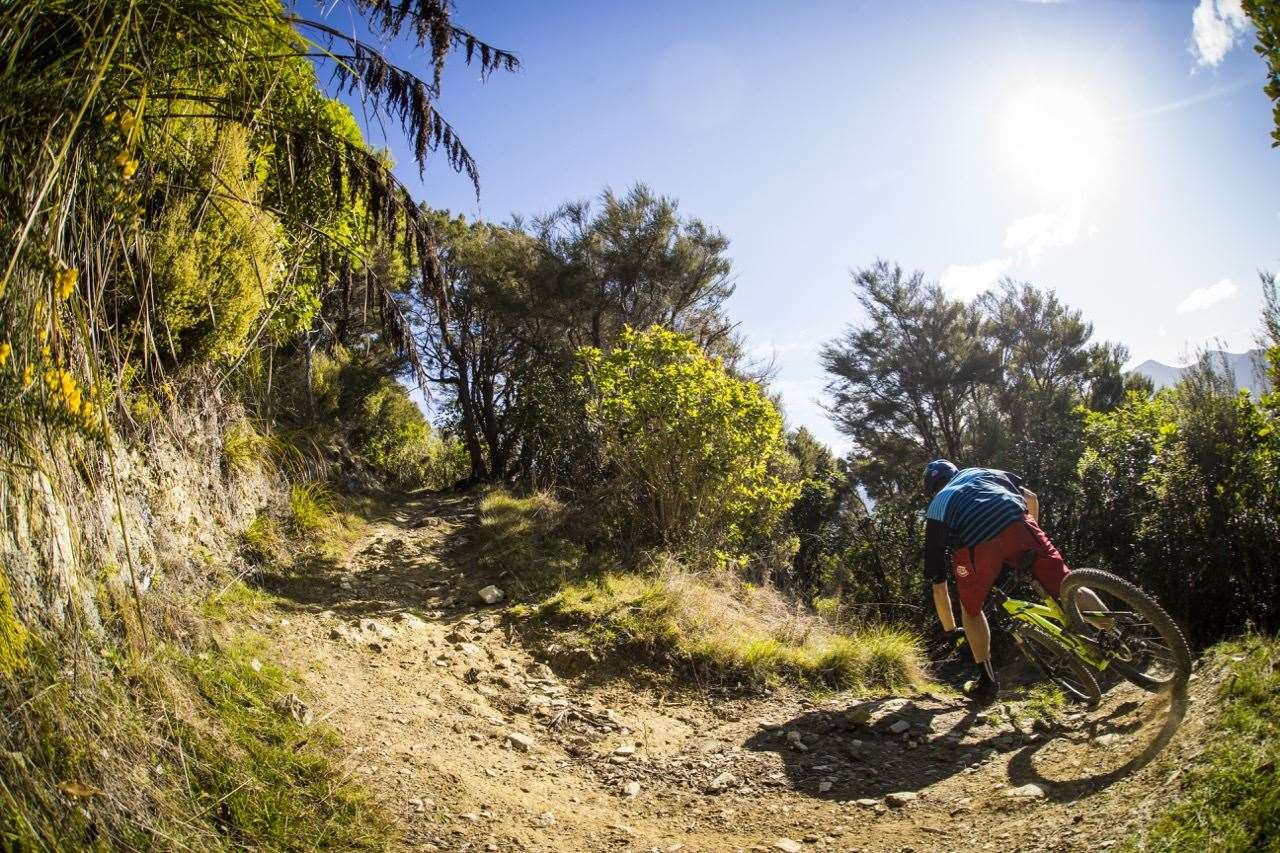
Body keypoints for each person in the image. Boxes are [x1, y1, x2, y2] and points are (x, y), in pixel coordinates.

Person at [921, 459, 1102, 703]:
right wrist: (1031, 542)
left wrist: (951, 631)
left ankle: (986, 682)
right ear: (955, 472)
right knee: (1066, 584)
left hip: (975, 546)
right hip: (1017, 522)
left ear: (933, 488)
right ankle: (1119, 635)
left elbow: (938, 585)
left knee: (971, 610)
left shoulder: (937, 505)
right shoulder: (981, 471)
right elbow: (1032, 498)